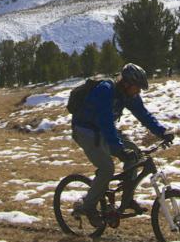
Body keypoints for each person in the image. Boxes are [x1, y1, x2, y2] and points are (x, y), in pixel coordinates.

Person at [70, 62, 172, 220]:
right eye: (137, 87)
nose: (138, 91)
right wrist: (118, 149)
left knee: (136, 156)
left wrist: (162, 132)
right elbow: (105, 122)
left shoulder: (128, 94)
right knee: (107, 168)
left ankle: (127, 199)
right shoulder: (105, 90)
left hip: (103, 130)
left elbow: (143, 115)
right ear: (126, 83)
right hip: (86, 130)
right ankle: (87, 206)